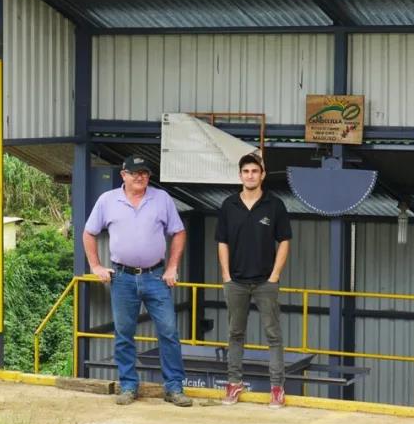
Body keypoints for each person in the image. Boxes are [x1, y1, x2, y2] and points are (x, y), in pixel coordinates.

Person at [82, 155, 192, 407]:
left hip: (156, 275)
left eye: (144, 173)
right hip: (122, 277)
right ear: (123, 175)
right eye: (135, 173)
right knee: (124, 333)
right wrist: (96, 266)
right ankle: (129, 385)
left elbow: (178, 232)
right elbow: (89, 232)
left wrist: (172, 267)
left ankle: (174, 388)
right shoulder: (107, 200)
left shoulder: (161, 198)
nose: (140, 177)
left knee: (169, 332)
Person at [216, 153, 292, 408]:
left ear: (262, 175)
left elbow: (284, 241)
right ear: (240, 175)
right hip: (235, 281)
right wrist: (226, 275)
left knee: (273, 335)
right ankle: (234, 383)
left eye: (254, 171)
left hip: (265, 283)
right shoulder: (229, 205)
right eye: (246, 171)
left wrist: (275, 276)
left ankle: (277, 388)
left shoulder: (275, 205)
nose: (250, 175)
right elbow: (222, 242)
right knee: (235, 334)